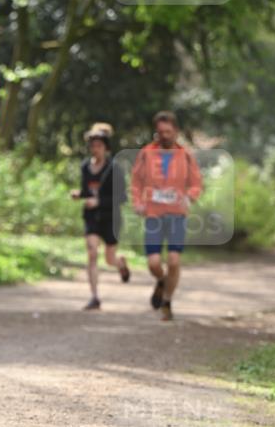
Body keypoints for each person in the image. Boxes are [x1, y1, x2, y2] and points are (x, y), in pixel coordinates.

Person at [131, 111, 202, 321]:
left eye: (168, 131)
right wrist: (138, 202)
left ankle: (167, 301)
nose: (165, 135)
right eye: (161, 132)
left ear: (176, 131)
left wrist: (190, 197)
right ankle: (162, 281)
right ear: (156, 132)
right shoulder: (146, 153)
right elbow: (136, 181)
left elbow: (196, 183)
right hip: (153, 214)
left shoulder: (186, 155)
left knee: (173, 261)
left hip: (176, 215)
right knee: (153, 263)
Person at [70, 123, 130, 310]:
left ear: (106, 148)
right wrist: (80, 194)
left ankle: (120, 264)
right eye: (92, 146)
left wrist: (99, 202)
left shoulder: (114, 169)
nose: (95, 149)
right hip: (91, 217)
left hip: (111, 218)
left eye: (99, 146)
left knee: (109, 259)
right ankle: (94, 296)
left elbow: (122, 197)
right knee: (92, 252)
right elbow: (89, 191)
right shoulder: (85, 167)